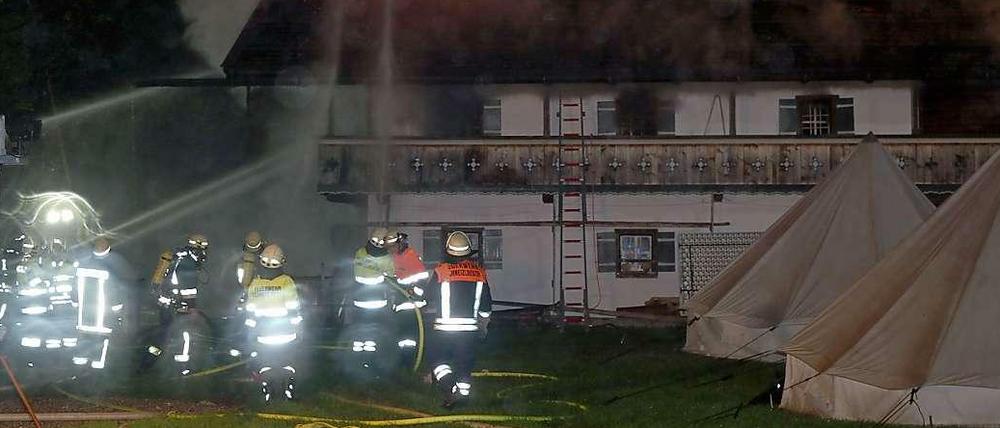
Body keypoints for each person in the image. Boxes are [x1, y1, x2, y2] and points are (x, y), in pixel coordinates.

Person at [426, 231, 492, 408]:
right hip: (469, 331)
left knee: (437, 360)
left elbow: (428, 296)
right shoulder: (479, 273)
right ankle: (463, 396)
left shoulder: (441, 271)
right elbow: (486, 305)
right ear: (468, 252)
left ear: (448, 251)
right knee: (464, 363)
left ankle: (449, 387)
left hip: (444, 330)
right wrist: (483, 325)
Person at [244, 244, 301, 402]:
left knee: (265, 365)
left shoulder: (255, 285)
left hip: (263, 336)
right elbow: (294, 309)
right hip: (286, 335)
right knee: (288, 365)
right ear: (281, 262)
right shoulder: (286, 282)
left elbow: (250, 313)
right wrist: (299, 329)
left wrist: (249, 335)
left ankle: (267, 394)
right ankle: (288, 393)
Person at [147, 233, 209, 374]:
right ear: (197, 249)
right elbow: (188, 289)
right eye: (203, 249)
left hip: (166, 303)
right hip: (177, 305)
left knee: (164, 333)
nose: (204, 253)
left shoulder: (180, 258)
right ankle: (181, 367)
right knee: (185, 334)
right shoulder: (188, 263)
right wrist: (192, 308)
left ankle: (148, 362)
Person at [346, 227, 396, 372]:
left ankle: (355, 360)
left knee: (359, 330)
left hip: (359, 301)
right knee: (373, 332)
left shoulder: (360, 253)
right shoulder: (386, 258)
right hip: (377, 303)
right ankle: (369, 362)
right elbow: (391, 277)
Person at [72, 237, 125, 370]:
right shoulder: (110, 266)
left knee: (85, 340)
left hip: (84, 317)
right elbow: (113, 290)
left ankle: (80, 366)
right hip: (102, 318)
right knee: (100, 342)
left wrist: (74, 303)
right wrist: (117, 308)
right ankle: (96, 369)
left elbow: (75, 288)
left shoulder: (83, 264)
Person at [386, 229, 427, 363]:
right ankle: (405, 361)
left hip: (412, 305)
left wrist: (412, 292)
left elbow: (421, 280)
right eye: (389, 247)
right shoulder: (397, 257)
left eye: (393, 246)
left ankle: (408, 362)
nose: (391, 249)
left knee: (408, 337)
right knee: (403, 336)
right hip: (403, 304)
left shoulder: (410, 256)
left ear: (400, 244)